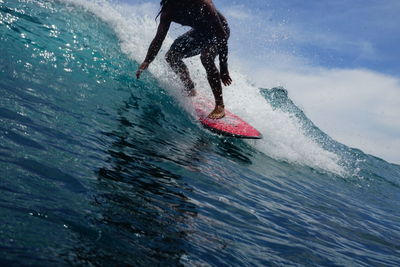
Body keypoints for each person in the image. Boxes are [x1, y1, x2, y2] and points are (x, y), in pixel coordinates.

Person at [136, 0, 232, 119]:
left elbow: (221, 35)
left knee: (206, 58)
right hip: (200, 32)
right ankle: (190, 88)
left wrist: (223, 68)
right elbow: (159, 38)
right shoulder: (168, 11)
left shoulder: (203, 3)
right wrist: (147, 60)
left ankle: (220, 106)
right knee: (172, 56)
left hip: (220, 30)